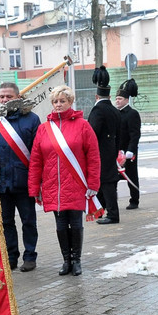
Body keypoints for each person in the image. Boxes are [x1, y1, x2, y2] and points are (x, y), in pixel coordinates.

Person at [28, 84, 100, 277]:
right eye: (55, 101)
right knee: (60, 224)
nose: (58, 104)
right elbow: (36, 160)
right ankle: (66, 260)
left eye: (62, 101)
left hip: (76, 183)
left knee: (75, 222)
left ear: (70, 102)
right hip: (53, 185)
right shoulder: (44, 129)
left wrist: (93, 184)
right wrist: (34, 187)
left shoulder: (83, 125)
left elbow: (93, 156)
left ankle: (76, 260)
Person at [0, 81, 40, 272]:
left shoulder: (32, 119)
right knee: (5, 222)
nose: (5, 100)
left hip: (24, 181)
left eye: (9, 96)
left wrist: (37, 180)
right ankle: (11, 256)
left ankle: (30, 256)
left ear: (18, 97)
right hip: (1, 182)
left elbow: (37, 152)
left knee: (28, 221)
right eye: (2, 96)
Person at [87, 66, 122, 225]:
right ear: (109, 95)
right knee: (103, 183)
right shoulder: (114, 110)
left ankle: (112, 214)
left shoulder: (97, 110)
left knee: (106, 183)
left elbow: (92, 132)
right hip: (111, 149)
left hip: (100, 151)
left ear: (96, 96)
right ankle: (99, 211)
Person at [115, 79, 142, 210]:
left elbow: (135, 134)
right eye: (116, 98)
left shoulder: (132, 114)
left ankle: (134, 200)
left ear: (126, 100)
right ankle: (112, 201)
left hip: (128, 151)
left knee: (131, 176)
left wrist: (130, 151)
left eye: (120, 98)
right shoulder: (115, 113)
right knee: (113, 177)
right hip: (116, 151)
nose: (117, 101)